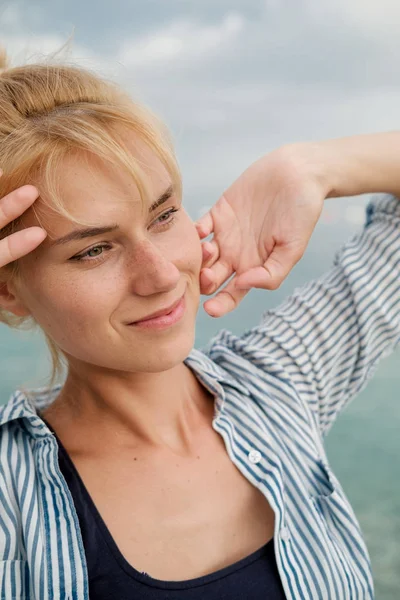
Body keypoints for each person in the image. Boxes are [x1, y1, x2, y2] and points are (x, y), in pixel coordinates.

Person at [0, 49, 399, 600]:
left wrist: (310, 166)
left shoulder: (278, 384)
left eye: (164, 216)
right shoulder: (9, 492)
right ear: (7, 289)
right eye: (94, 250)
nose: (161, 275)